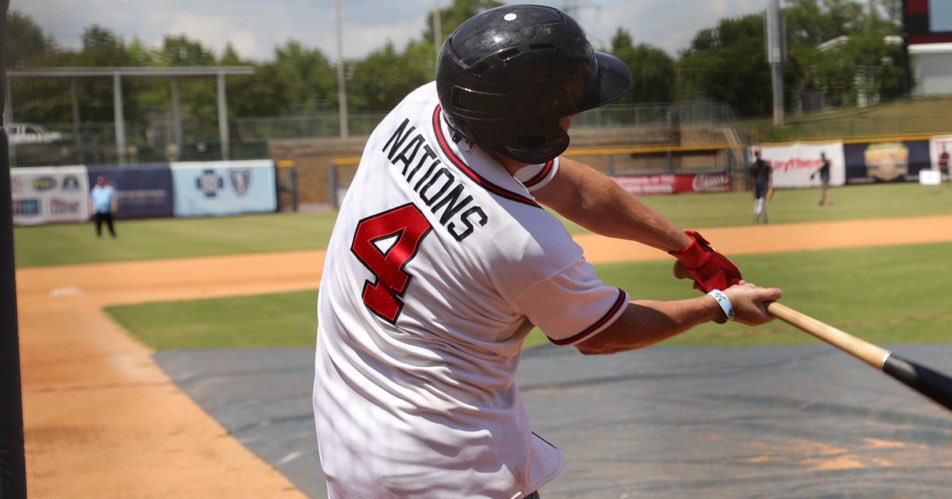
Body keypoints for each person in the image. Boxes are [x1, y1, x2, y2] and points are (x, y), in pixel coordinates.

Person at [311, 6, 781, 498]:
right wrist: (720, 306)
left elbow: (575, 192)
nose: (576, 111)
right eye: (569, 103)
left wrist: (688, 248)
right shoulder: (524, 243)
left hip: (350, 444)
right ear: (534, 126)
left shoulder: (422, 109)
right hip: (451, 471)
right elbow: (604, 333)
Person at [749, 147, 772, 224]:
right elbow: (752, 178)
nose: (757, 154)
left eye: (757, 153)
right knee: (759, 202)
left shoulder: (766, 164)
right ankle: (765, 219)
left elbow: (769, 175)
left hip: (763, 184)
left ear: (760, 153)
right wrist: (753, 188)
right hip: (757, 185)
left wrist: (770, 185)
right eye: (756, 153)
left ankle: (756, 219)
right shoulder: (753, 166)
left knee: (761, 202)